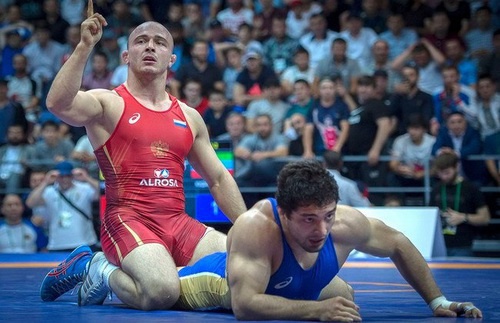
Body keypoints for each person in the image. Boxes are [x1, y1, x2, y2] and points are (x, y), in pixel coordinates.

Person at [39, 0, 246, 311]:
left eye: (159, 42)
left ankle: (162, 267)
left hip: (178, 223)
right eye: (141, 41)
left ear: (171, 59)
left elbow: (217, 178)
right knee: (161, 291)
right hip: (127, 219)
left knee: (250, 265)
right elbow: (58, 104)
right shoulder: (108, 103)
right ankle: (99, 268)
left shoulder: (189, 116)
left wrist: (246, 228)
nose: (150, 46)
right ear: (126, 56)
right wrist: (84, 47)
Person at [174, 159, 482, 320]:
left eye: (328, 216)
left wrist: (437, 301)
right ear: (284, 213)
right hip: (217, 282)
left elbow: (398, 243)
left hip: (284, 283)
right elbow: (244, 306)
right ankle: (124, 274)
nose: (322, 229)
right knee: (157, 292)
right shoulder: (256, 226)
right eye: (308, 219)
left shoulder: (345, 223)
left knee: (345, 298)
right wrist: (316, 311)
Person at [25, 161, 100, 252]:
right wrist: (45, 182)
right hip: (57, 244)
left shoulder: (84, 188)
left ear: (72, 176)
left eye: (68, 176)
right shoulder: (49, 191)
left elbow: (104, 192)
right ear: (56, 177)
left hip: (84, 242)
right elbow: (30, 203)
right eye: (61, 176)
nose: (65, 180)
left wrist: (87, 178)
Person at [430, 152, 490, 257]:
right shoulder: (436, 189)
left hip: (462, 245)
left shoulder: (471, 188)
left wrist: (463, 217)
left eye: (447, 172)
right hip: (439, 244)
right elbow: (429, 215)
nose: (444, 177)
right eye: (440, 173)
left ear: (457, 167)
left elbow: (485, 218)